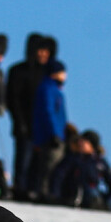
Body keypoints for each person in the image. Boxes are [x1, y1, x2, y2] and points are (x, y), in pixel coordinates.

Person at [5, 33, 54, 198]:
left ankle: (35, 191)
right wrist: (20, 123)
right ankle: (20, 190)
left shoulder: (48, 75)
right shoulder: (18, 71)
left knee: (39, 163)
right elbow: (13, 99)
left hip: (43, 129)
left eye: (46, 51)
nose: (43, 55)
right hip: (24, 126)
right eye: (40, 51)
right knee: (23, 161)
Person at [28, 60, 68, 198]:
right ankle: (45, 194)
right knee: (50, 168)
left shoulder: (55, 89)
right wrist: (54, 133)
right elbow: (48, 112)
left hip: (56, 135)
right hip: (50, 137)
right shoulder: (48, 89)